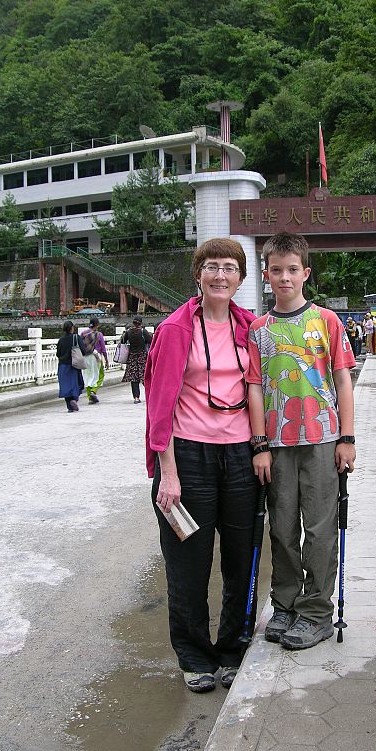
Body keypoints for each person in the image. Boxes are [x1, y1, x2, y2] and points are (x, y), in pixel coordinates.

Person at [144, 238, 257, 693]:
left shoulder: (250, 326)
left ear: (241, 278)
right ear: (198, 274)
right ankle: (194, 655)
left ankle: (231, 648)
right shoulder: (176, 329)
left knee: (240, 557)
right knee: (188, 561)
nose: (220, 275)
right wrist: (166, 471)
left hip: (242, 455)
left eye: (229, 268)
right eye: (211, 267)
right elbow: (159, 405)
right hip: (187, 456)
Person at [248, 232, 356, 650]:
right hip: (276, 443)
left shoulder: (327, 321)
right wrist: (259, 445)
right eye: (277, 270)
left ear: (305, 273)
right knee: (282, 528)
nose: (285, 277)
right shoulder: (258, 329)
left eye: (293, 269)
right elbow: (255, 388)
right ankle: (286, 604)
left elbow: (343, 379)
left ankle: (316, 612)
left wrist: (347, 437)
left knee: (321, 527)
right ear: (266, 275)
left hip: (323, 439)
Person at [56, 320, 85, 412]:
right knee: (75, 384)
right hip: (74, 365)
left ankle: (69, 405)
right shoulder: (76, 337)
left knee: (65, 386)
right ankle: (74, 400)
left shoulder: (61, 340)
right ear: (72, 328)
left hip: (63, 366)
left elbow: (58, 354)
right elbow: (83, 351)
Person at [121, 316, 152, 403]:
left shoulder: (128, 332)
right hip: (142, 357)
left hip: (132, 357)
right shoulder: (143, 332)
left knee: (134, 379)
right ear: (141, 323)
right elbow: (151, 341)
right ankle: (151, 394)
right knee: (145, 377)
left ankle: (136, 398)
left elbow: (123, 342)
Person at [81, 316, 109, 403]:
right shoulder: (99, 334)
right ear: (97, 324)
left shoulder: (83, 334)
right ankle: (93, 391)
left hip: (85, 357)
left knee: (88, 376)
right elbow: (103, 349)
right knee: (99, 375)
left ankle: (90, 397)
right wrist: (106, 360)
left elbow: (80, 345)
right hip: (96, 357)